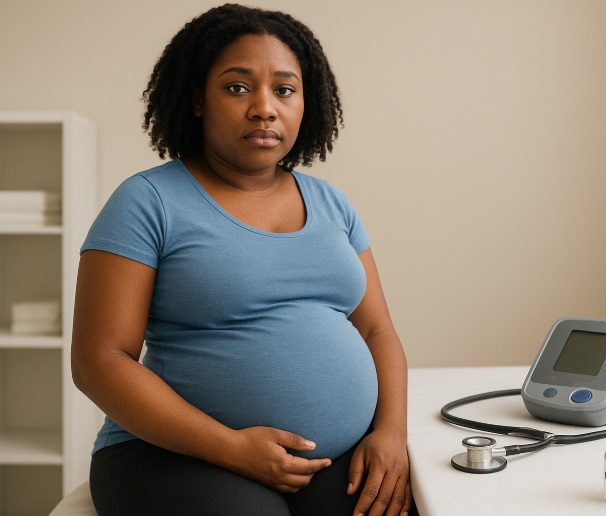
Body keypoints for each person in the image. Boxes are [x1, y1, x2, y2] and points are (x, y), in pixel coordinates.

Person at [71, 4, 413, 515]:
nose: (264, 108)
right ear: (197, 99)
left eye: (284, 89)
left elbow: (377, 331)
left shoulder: (331, 202)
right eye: (237, 87)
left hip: (323, 461)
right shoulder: (147, 201)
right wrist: (232, 448)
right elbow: (100, 362)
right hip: (173, 456)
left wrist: (390, 432)